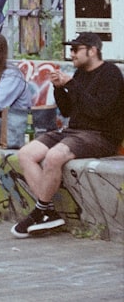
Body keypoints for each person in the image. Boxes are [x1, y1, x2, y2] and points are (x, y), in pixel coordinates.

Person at [11, 32, 124, 238]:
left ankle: (39, 211)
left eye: (75, 49)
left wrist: (71, 84)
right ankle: (48, 211)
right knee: (26, 154)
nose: (71, 54)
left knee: (54, 157)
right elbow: (67, 111)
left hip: (101, 136)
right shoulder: (80, 74)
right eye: (70, 49)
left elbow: (99, 111)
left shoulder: (111, 73)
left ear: (92, 50)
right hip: (74, 132)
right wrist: (58, 88)